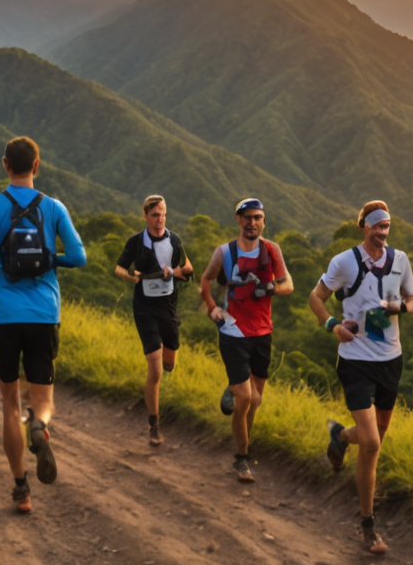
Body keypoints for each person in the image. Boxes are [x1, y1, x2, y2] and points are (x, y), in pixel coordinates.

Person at [0, 136, 87, 514]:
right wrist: (49, 259)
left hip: (3, 317)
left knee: (10, 403)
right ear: (37, 165)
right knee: (42, 400)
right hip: (43, 315)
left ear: (5, 164)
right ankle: (40, 425)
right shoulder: (54, 208)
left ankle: (20, 488)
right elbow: (79, 257)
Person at [308, 200, 413, 554]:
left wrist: (401, 307)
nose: (383, 232)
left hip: (391, 360)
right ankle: (368, 526)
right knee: (371, 443)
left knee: (377, 437)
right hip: (355, 361)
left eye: (387, 226)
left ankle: (340, 436)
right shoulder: (344, 262)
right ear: (364, 227)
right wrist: (333, 325)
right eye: (377, 226)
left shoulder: (400, 260)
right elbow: (316, 298)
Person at [200, 198, 293, 482]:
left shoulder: (272, 250)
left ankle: (244, 439)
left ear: (263, 221)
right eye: (248, 217)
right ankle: (241, 458)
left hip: (262, 333)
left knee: (256, 400)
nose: (252, 223)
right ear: (238, 220)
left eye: (258, 218)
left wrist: (271, 288)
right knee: (246, 397)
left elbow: (288, 284)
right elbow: (205, 281)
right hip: (233, 332)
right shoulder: (224, 252)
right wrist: (212, 308)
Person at [114, 195, 194, 447]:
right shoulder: (136, 242)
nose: (160, 220)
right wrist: (133, 277)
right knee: (155, 367)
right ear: (145, 216)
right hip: (144, 307)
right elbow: (119, 268)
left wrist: (174, 272)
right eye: (155, 215)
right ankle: (154, 424)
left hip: (168, 307)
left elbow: (188, 269)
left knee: (169, 364)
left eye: (163, 215)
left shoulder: (175, 240)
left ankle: (158, 392)